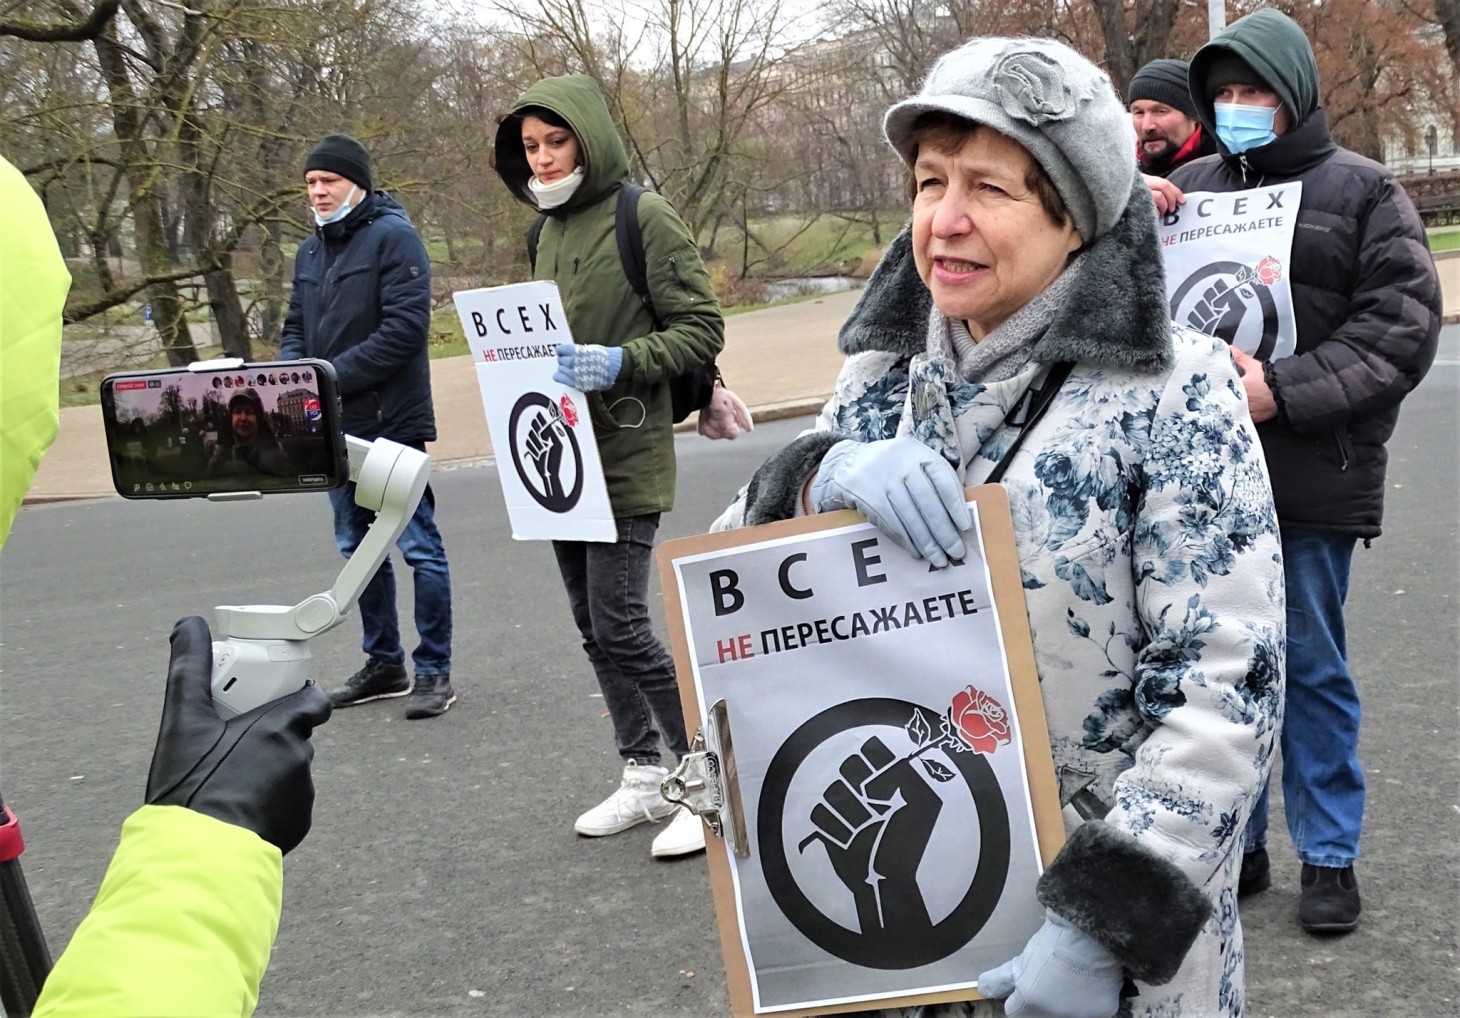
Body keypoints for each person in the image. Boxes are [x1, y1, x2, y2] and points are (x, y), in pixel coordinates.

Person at [715, 37, 1285, 1017]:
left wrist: (1103, 919)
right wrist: (814, 477)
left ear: (1076, 217)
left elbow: (1226, 677)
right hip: (902, 926)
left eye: (989, 187)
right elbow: (724, 594)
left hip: (1094, 956)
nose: (944, 219)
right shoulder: (877, 376)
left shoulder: (1175, 388)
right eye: (928, 180)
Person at [1153, 8, 1443, 935]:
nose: (1238, 108)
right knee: (1218, 675)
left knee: (1312, 669)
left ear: (1296, 94)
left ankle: (1329, 856)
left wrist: (1282, 391)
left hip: (1309, 474)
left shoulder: (1363, 190)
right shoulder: (1186, 187)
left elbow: (1399, 327)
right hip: (1200, 482)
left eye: (1256, 91)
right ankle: (1238, 846)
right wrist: (1130, 208)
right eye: (1224, 93)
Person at [493, 75, 725, 859]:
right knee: (593, 627)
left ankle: (704, 781)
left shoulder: (644, 216)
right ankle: (640, 773)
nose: (545, 158)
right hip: (557, 461)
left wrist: (618, 361)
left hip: (625, 450)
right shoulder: (542, 233)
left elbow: (700, 329)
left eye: (558, 142)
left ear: (589, 140)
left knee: (623, 624)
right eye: (531, 146)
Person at [279, 133, 457, 720]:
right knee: (356, 548)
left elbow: (405, 332)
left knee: (417, 548)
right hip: (330, 427)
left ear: (358, 183)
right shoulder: (310, 253)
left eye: (328, 180)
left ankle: (435, 671)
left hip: (390, 423)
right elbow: (294, 329)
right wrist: (290, 383)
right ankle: (385, 664)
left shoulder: (395, 239)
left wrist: (324, 378)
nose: (319, 190)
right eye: (310, 182)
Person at [1127, 58, 1215, 178]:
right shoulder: (1124, 179)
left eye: (1160, 111)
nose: (1147, 126)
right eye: (1139, 113)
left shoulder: (1231, 172)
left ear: (1194, 115)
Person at [205, 387, 293, 478]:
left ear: (258, 418)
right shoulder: (220, 453)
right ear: (231, 417)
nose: (243, 418)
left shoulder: (276, 453)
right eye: (238, 411)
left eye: (249, 412)